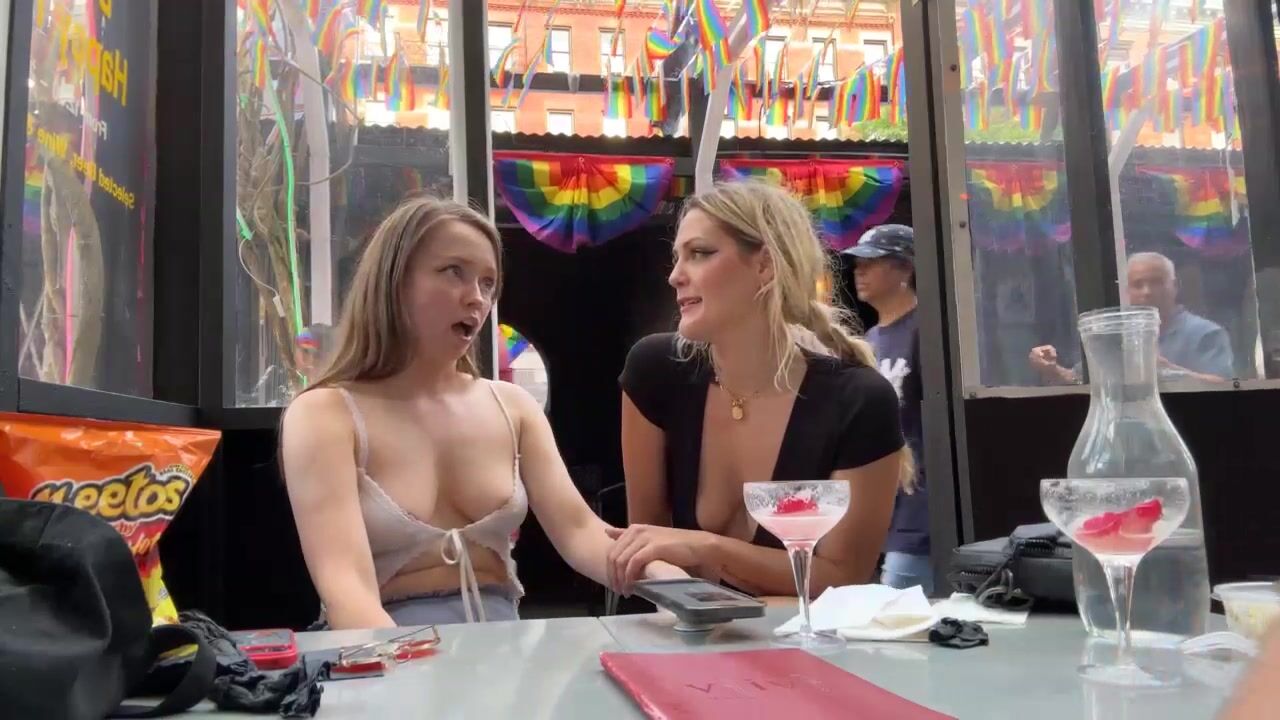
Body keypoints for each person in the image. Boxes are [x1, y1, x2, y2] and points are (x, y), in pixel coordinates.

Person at [280, 195, 682, 630]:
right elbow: (346, 589)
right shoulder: (325, 414)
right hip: (381, 646)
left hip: (499, 644)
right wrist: (408, 666)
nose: (476, 298)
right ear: (394, 281)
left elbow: (581, 532)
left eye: (488, 283)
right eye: (454, 272)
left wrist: (671, 582)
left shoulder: (513, 407)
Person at [608, 181, 912, 598]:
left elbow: (842, 579)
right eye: (677, 257)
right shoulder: (656, 371)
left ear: (766, 265)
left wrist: (708, 549)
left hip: (804, 637)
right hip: (683, 630)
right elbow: (645, 548)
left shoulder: (859, 399)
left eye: (699, 253)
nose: (675, 275)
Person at [844, 224, 931, 594]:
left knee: (897, 604)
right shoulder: (868, 341)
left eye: (872, 262)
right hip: (880, 506)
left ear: (905, 267)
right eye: (857, 263)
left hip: (922, 506)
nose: (859, 271)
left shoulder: (927, 329)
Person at [1029, 252, 1234, 384]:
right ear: (1126, 291)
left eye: (1156, 282)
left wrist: (1167, 370)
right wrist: (1050, 368)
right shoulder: (1117, 335)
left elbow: (1224, 386)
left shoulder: (1205, 333)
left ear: (1174, 286)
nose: (1147, 292)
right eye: (1138, 284)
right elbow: (1079, 380)